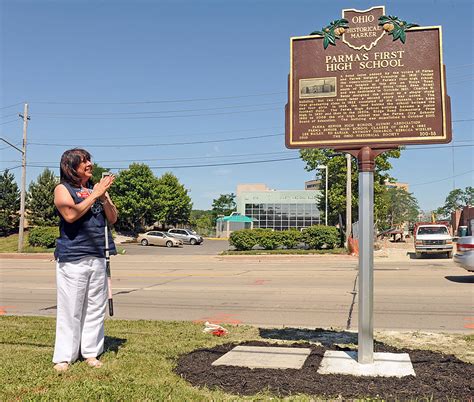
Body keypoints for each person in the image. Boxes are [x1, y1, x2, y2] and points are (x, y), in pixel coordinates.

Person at [52, 148, 118, 372]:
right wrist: (95, 194)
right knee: (71, 308)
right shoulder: (63, 189)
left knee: (94, 307)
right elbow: (70, 215)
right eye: (84, 161)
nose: (90, 164)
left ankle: (91, 352)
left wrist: (104, 197)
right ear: (71, 167)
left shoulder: (94, 190)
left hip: (99, 254)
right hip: (73, 256)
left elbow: (113, 218)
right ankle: (64, 356)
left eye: (90, 160)